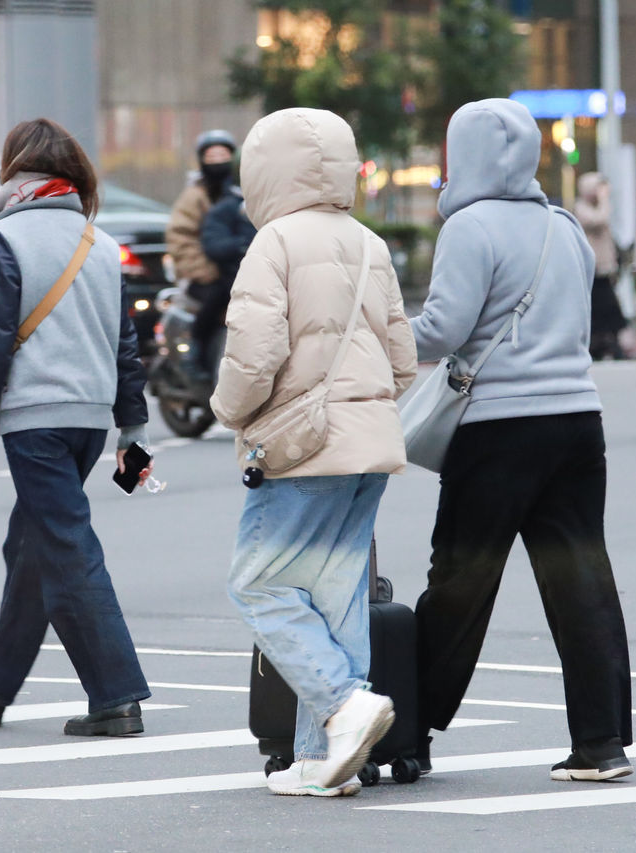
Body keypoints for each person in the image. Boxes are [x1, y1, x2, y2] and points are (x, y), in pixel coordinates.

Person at [410, 98, 633, 782]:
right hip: (577, 423)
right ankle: (601, 744)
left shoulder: (470, 227)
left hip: (500, 429)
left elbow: (443, 331)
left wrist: (376, 331)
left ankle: (408, 731)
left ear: (465, 154)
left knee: (460, 581)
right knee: (582, 580)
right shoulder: (561, 226)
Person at [211, 107, 417, 797]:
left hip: (303, 448)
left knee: (259, 583)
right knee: (336, 595)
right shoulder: (369, 243)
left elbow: (253, 352)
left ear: (264, 171)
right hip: (370, 443)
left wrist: (229, 410)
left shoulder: (274, 242)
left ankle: (341, 704)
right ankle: (323, 758)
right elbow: (403, 358)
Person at [0, 118, 154, 736]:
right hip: (89, 421)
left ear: (15, 169)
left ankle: (117, 697)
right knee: (33, 545)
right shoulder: (99, 241)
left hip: (36, 420)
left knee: (67, 549)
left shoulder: (7, 237)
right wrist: (130, 428)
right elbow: (126, 345)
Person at [166, 129, 237, 371]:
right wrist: (209, 271)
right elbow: (180, 240)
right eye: (212, 156)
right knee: (217, 300)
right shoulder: (194, 197)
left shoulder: (240, 194)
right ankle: (196, 353)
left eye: (223, 155)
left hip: (236, 274)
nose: (218, 161)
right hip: (206, 278)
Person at [190, 187, 256, 380]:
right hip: (225, 276)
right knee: (211, 308)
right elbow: (212, 244)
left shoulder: (274, 205)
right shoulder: (227, 208)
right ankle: (195, 356)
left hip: (260, 278)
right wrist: (242, 245)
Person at [575, 172, 627, 360]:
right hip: (593, 270)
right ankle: (602, 345)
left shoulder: (595, 207)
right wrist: (604, 199)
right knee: (600, 308)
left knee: (608, 309)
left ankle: (609, 345)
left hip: (604, 269)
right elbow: (599, 219)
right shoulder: (581, 208)